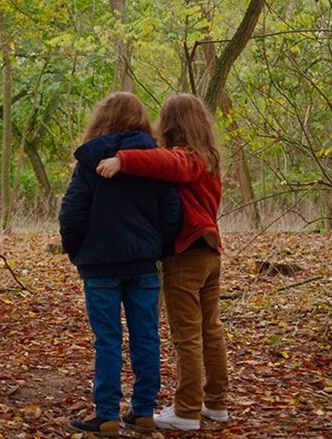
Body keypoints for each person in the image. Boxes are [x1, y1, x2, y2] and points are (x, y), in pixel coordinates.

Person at [96, 93, 229, 431]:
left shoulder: (189, 158)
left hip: (188, 255)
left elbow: (168, 163)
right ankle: (215, 403)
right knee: (210, 330)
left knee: (187, 335)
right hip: (210, 252)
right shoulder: (209, 158)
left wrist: (123, 160)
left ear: (171, 124)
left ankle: (186, 410)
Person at [59, 92, 182, 437]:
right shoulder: (155, 162)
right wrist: (158, 248)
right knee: (146, 336)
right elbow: (172, 213)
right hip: (142, 264)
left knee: (108, 339)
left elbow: (72, 213)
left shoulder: (90, 162)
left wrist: (77, 251)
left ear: (102, 119)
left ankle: (107, 415)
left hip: (100, 266)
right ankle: (143, 412)